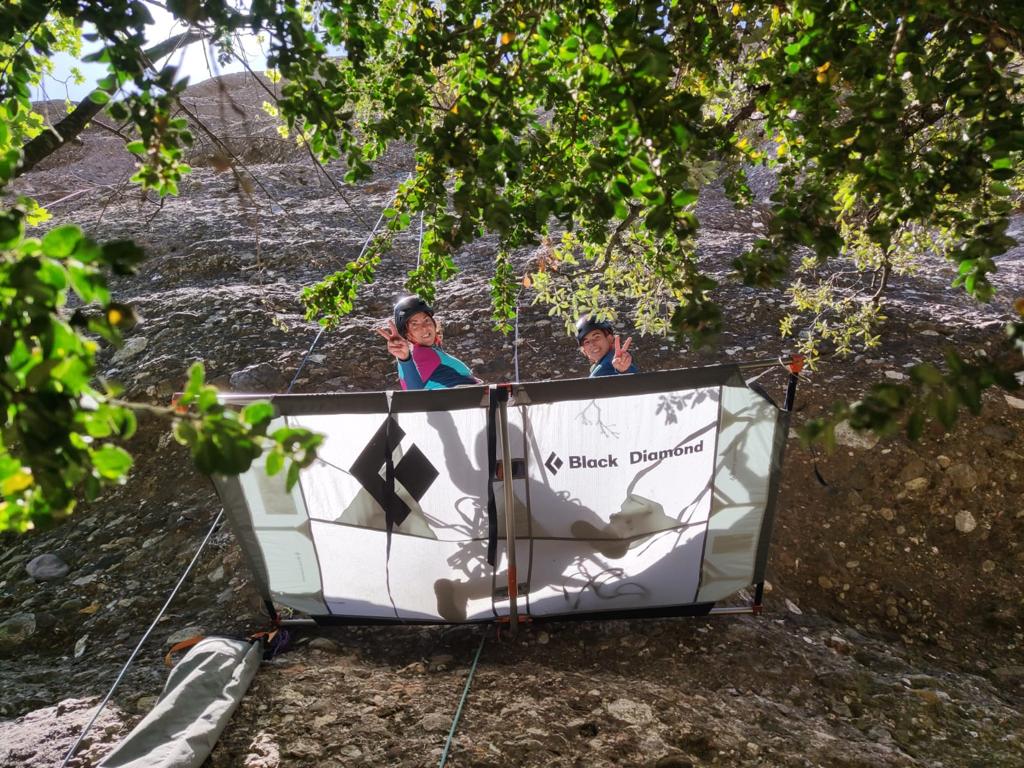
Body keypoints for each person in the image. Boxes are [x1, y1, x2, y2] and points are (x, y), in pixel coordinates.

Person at [378, 296, 480, 389]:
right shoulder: (422, 354)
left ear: (434, 323)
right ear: (407, 335)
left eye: (426, 320)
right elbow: (414, 392)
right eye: (415, 324)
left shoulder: (432, 352)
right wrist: (405, 360)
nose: (424, 327)